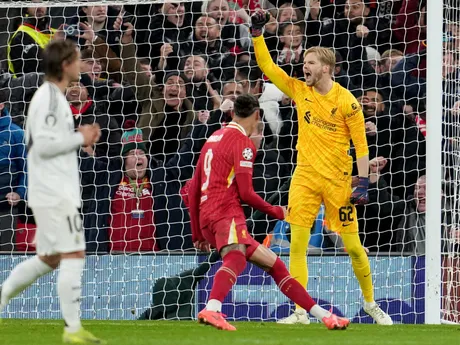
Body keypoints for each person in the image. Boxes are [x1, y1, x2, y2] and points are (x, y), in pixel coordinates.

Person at [250, 11, 393, 326]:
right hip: (303, 179)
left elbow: (362, 146)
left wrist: (364, 182)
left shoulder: (348, 102)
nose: (305, 66)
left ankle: (370, 303)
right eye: (304, 62)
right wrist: (257, 34)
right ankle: (300, 312)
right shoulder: (300, 91)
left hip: (339, 183)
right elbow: (267, 67)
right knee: (297, 245)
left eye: (310, 63)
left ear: (326, 68)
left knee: (354, 248)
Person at [186, 94, 350, 331]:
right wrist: (277, 211)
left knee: (275, 265)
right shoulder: (243, 143)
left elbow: (193, 188)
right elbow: (246, 193)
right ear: (257, 115)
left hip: (207, 216)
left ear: (232, 113)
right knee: (236, 257)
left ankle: (324, 316)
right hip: (226, 213)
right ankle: (212, 309)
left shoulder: (213, 137)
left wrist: (197, 232)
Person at [0, 40, 104, 344]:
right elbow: (44, 147)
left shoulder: (54, 97)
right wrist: (78, 138)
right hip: (54, 191)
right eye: (77, 60)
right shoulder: (48, 98)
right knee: (74, 254)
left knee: (49, 258)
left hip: (52, 189)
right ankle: (73, 329)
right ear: (65, 65)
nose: (81, 64)